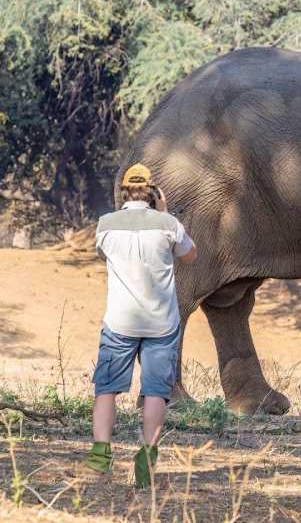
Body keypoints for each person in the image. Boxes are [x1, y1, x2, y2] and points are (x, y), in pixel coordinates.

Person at [83, 163, 197, 488]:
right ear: (152, 191)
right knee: (155, 393)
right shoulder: (168, 224)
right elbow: (191, 255)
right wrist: (163, 213)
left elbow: (103, 252)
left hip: (120, 321)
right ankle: (147, 461)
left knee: (106, 389)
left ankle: (101, 455)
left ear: (122, 191)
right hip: (161, 323)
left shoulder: (106, 224)